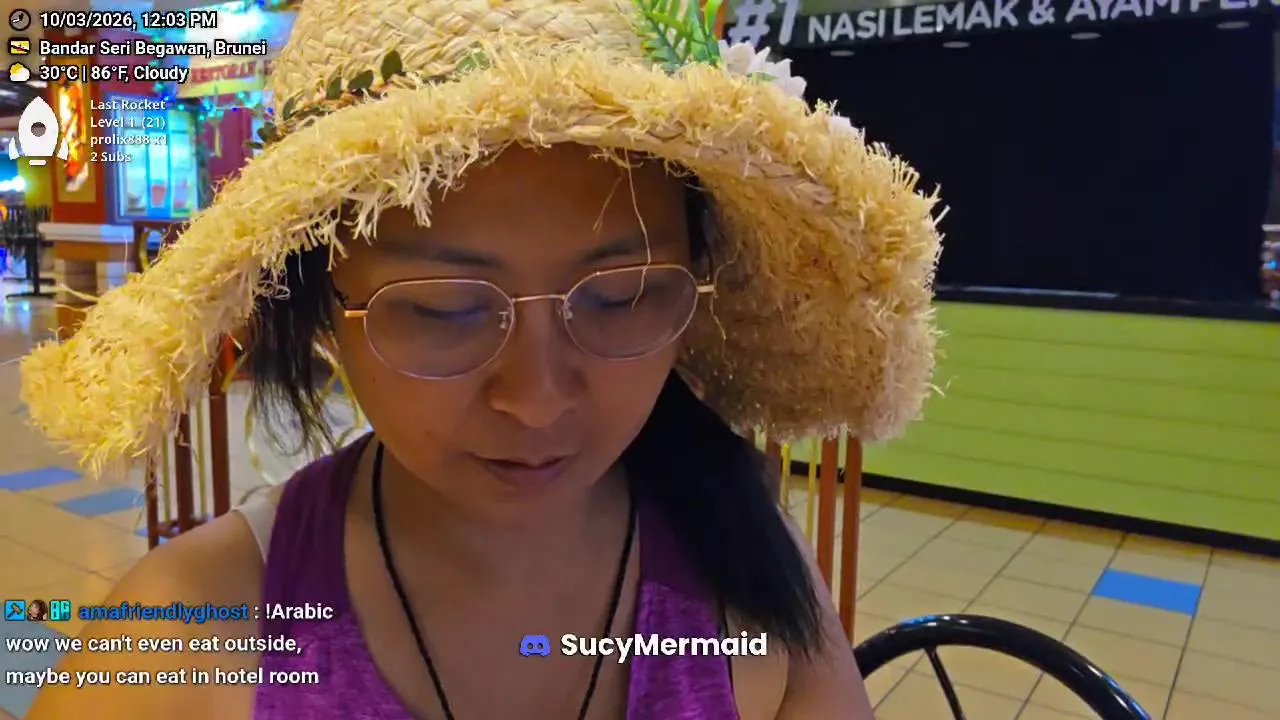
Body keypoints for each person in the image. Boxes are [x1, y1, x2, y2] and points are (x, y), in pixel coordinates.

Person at [19, 1, 940, 718]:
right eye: (442, 310)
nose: (536, 399)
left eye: (621, 296)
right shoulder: (183, 634)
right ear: (319, 307)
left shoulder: (748, 559)